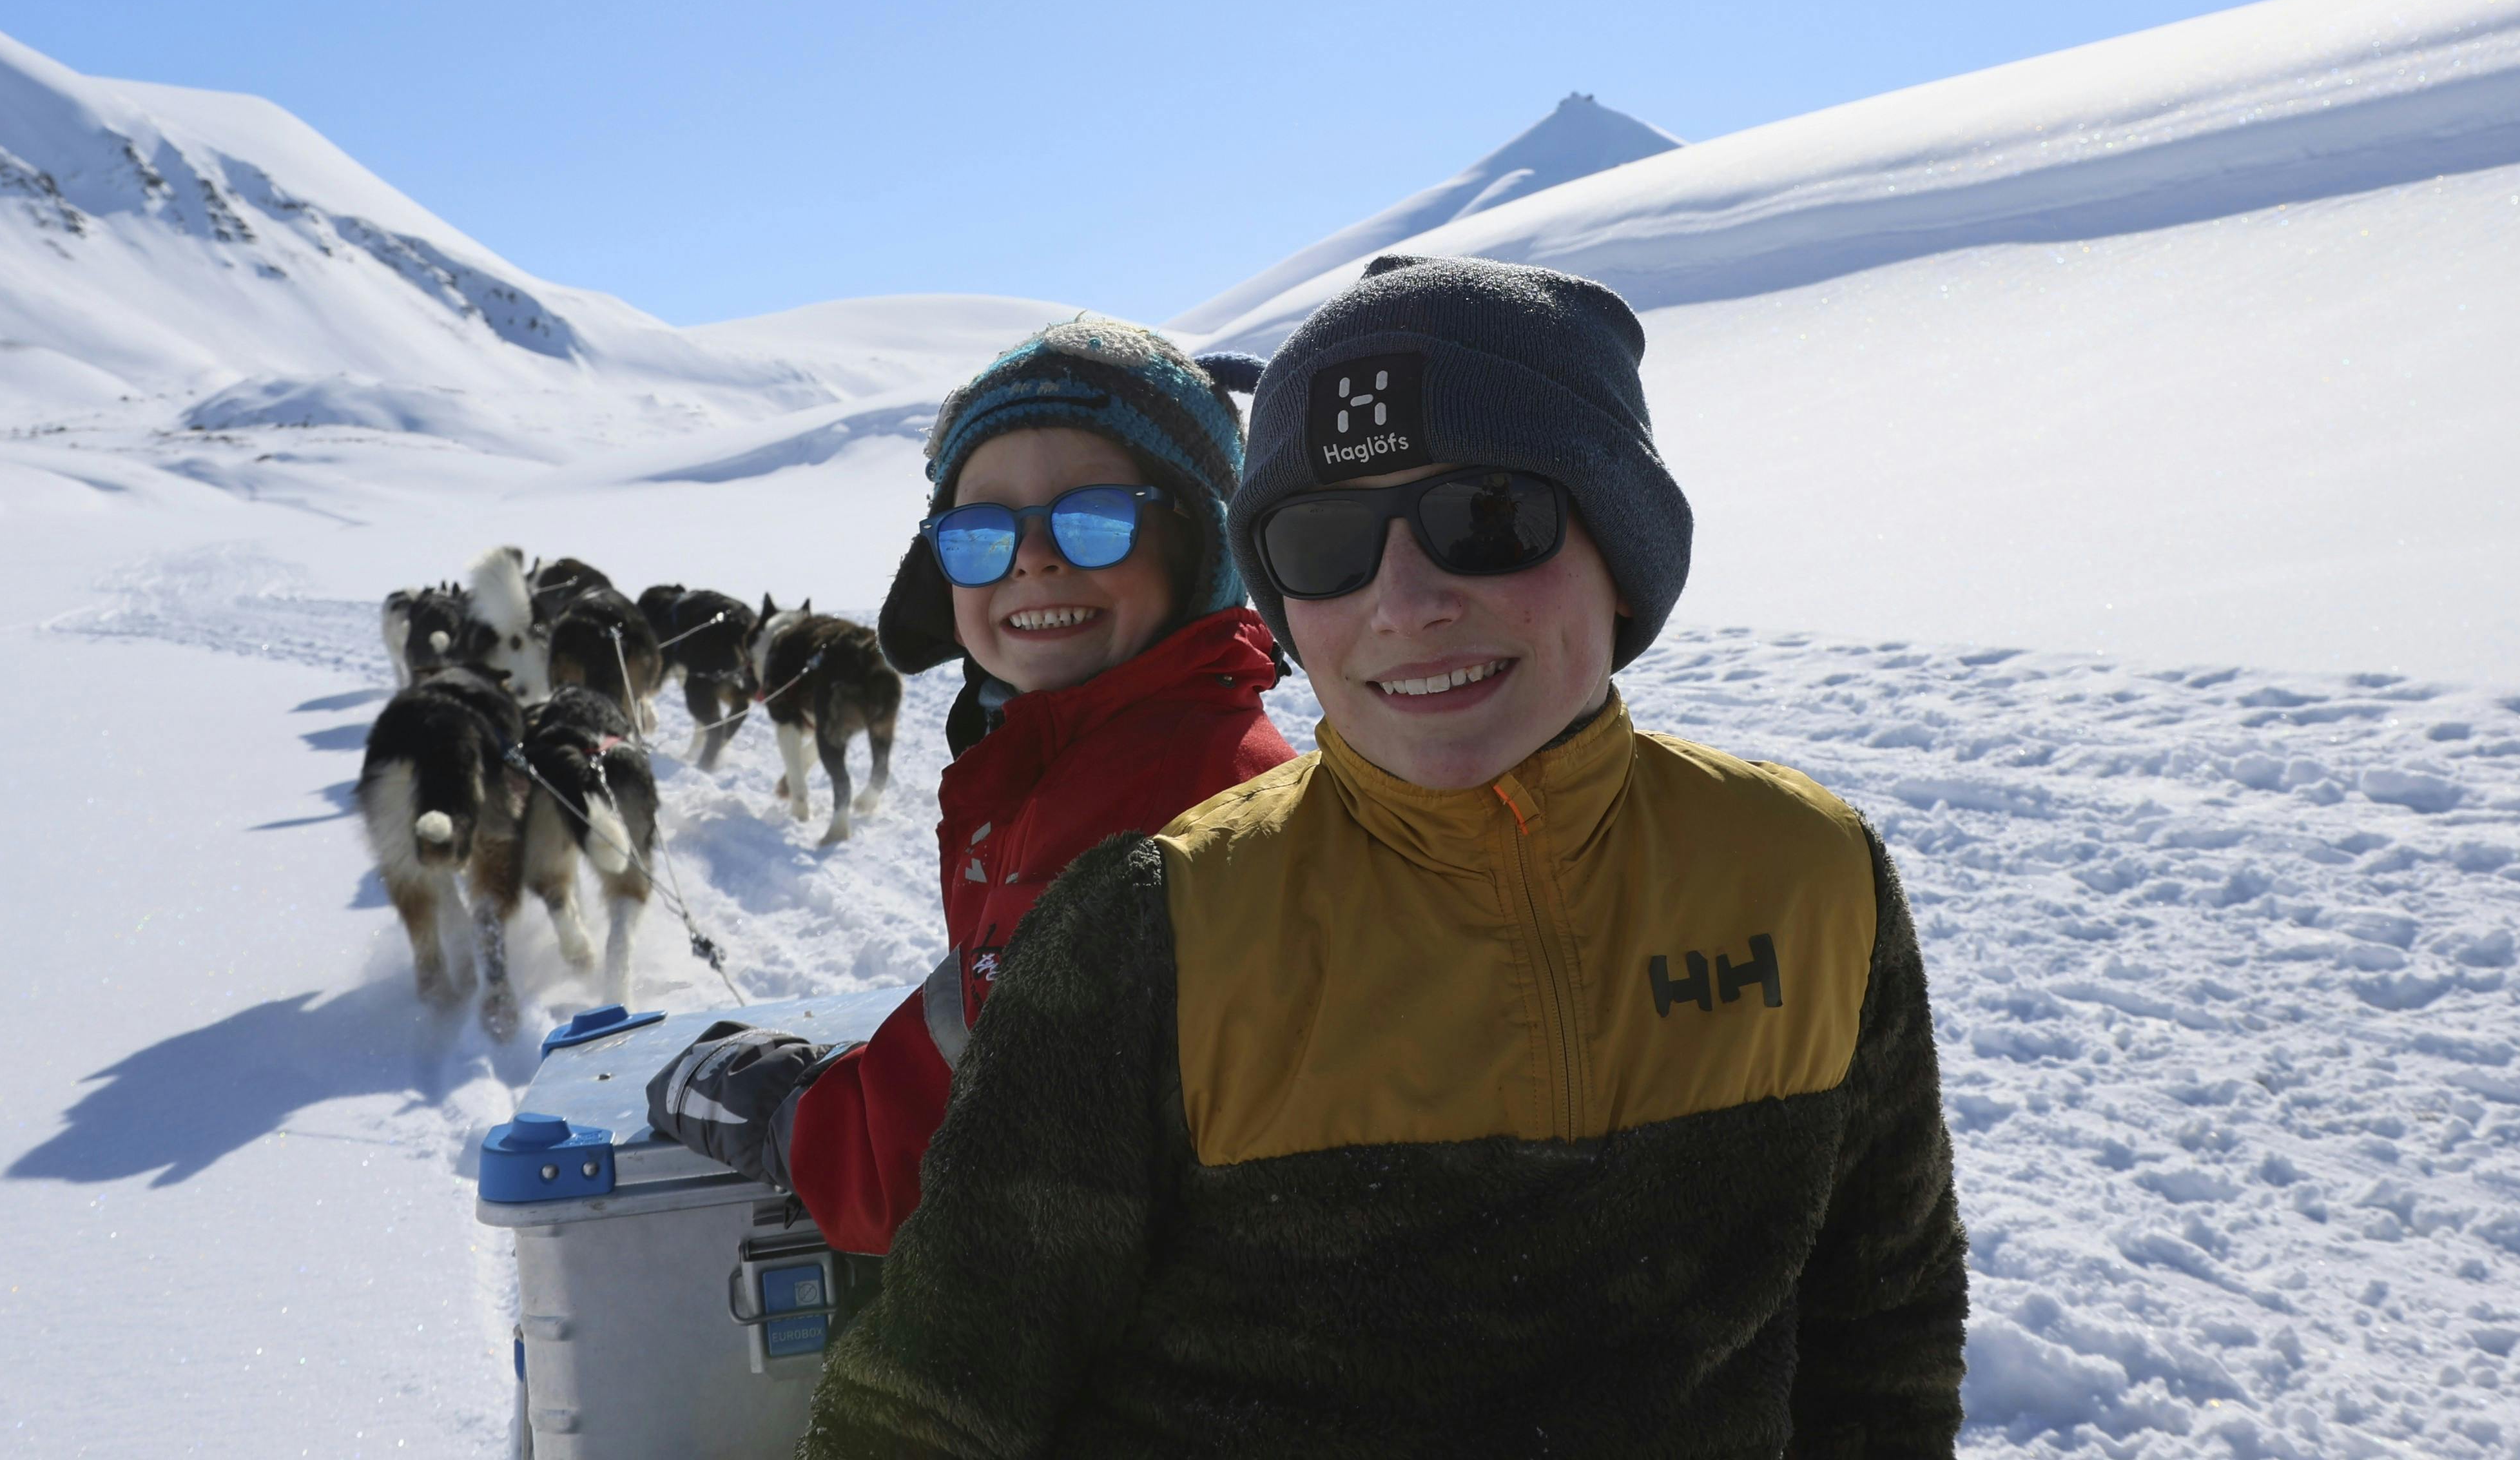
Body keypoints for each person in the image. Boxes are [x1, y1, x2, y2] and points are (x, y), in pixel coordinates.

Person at [804, 254, 1967, 1457]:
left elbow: (1883, 1333)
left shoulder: (1807, 874)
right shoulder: (1155, 922)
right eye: (1324, 543)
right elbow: (933, 1396)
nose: (1405, 604)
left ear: (1623, 548)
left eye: (1486, 519)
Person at [646, 316, 1295, 1255]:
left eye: (1094, 518)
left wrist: (794, 1119)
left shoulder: (1159, 808)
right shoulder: (1082, 755)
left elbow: (964, 1155)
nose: (1032, 558)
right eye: (981, 532)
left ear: (1200, 545)